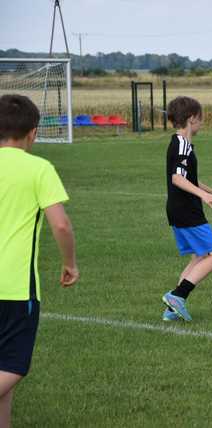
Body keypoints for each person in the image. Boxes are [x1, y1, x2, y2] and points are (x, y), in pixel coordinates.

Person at [0, 94, 79, 427]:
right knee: (14, 366)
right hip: (14, 286)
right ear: (33, 133)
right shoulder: (38, 168)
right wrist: (70, 264)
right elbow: (60, 223)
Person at [161, 96, 212, 322]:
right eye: (200, 119)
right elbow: (178, 179)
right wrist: (204, 196)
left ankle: (171, 310)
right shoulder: (182, 144)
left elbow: (189, 178)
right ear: (191, 119)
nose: (202, 123)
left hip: (180, 209)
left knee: (200, 256)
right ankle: (177, 296)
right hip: (186, 210)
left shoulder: (182, 144)